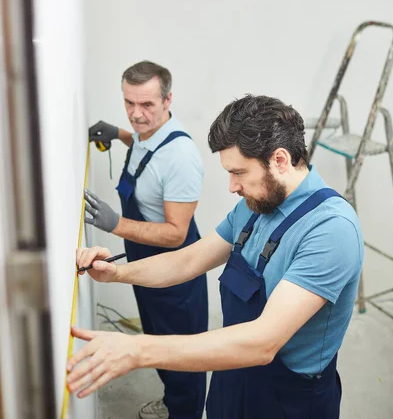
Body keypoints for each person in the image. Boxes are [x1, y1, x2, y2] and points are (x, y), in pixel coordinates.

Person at [69, 94, 363, 419]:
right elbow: (189, 260)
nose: (232, 186)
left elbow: (262, 342)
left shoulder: (331, 230)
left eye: (239, 172)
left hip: (286, 401)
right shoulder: (255, 208)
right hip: (232, 374)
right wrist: (118, 272)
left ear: (280, 160)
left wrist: (137, 350)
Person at [85, 60, 208, 419]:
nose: (136, 115)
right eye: (129, 103)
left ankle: (184, 412)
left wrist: (116, 223)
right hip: (146, 266)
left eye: (147, 105)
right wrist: (120, 134)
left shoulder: (181, 158)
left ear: (168, 100)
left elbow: (176, 233)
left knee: (181, 355)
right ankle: (173, 402)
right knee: (156, 341)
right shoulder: (145, 132)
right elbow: (142, 143)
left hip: (176, 275)